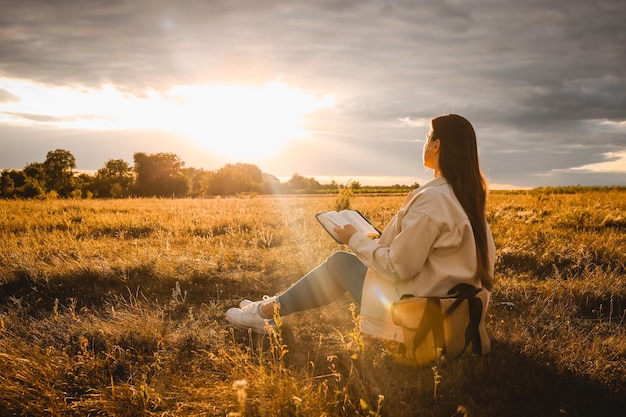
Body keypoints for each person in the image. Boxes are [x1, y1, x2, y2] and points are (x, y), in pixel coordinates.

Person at [226, 114, 496, 347]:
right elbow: (429, 255)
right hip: (449, 305)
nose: (425, 144)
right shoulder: (466, 196)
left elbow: (399, 268)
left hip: (418, 311)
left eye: (427, 137)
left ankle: (262, 314)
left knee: (339, 264)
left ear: (437, 145)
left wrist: (353, 238)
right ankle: (268, 308)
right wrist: (378, 242)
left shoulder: (433, 198)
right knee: (346, 265)